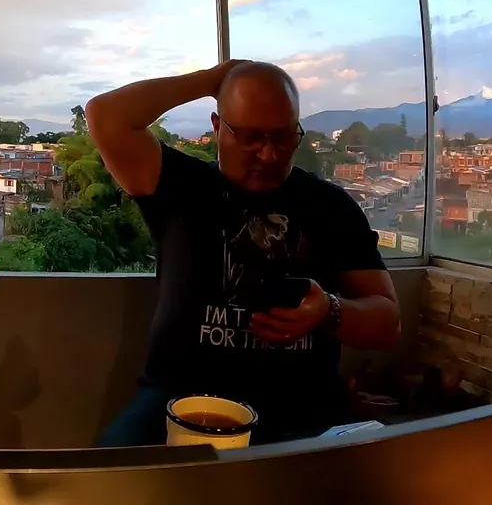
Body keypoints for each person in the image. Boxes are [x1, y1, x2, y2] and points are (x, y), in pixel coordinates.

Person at [88, 60, 401, 446]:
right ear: (218, 127)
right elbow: (106, 116)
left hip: (298, 410)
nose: (268, 154)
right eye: (251, 137)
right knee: (112, 464)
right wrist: (212, 79)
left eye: (283, 138)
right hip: (178, 400)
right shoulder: (181, 187)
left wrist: (329, 311)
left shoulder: (331, 207)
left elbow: (387, 322)